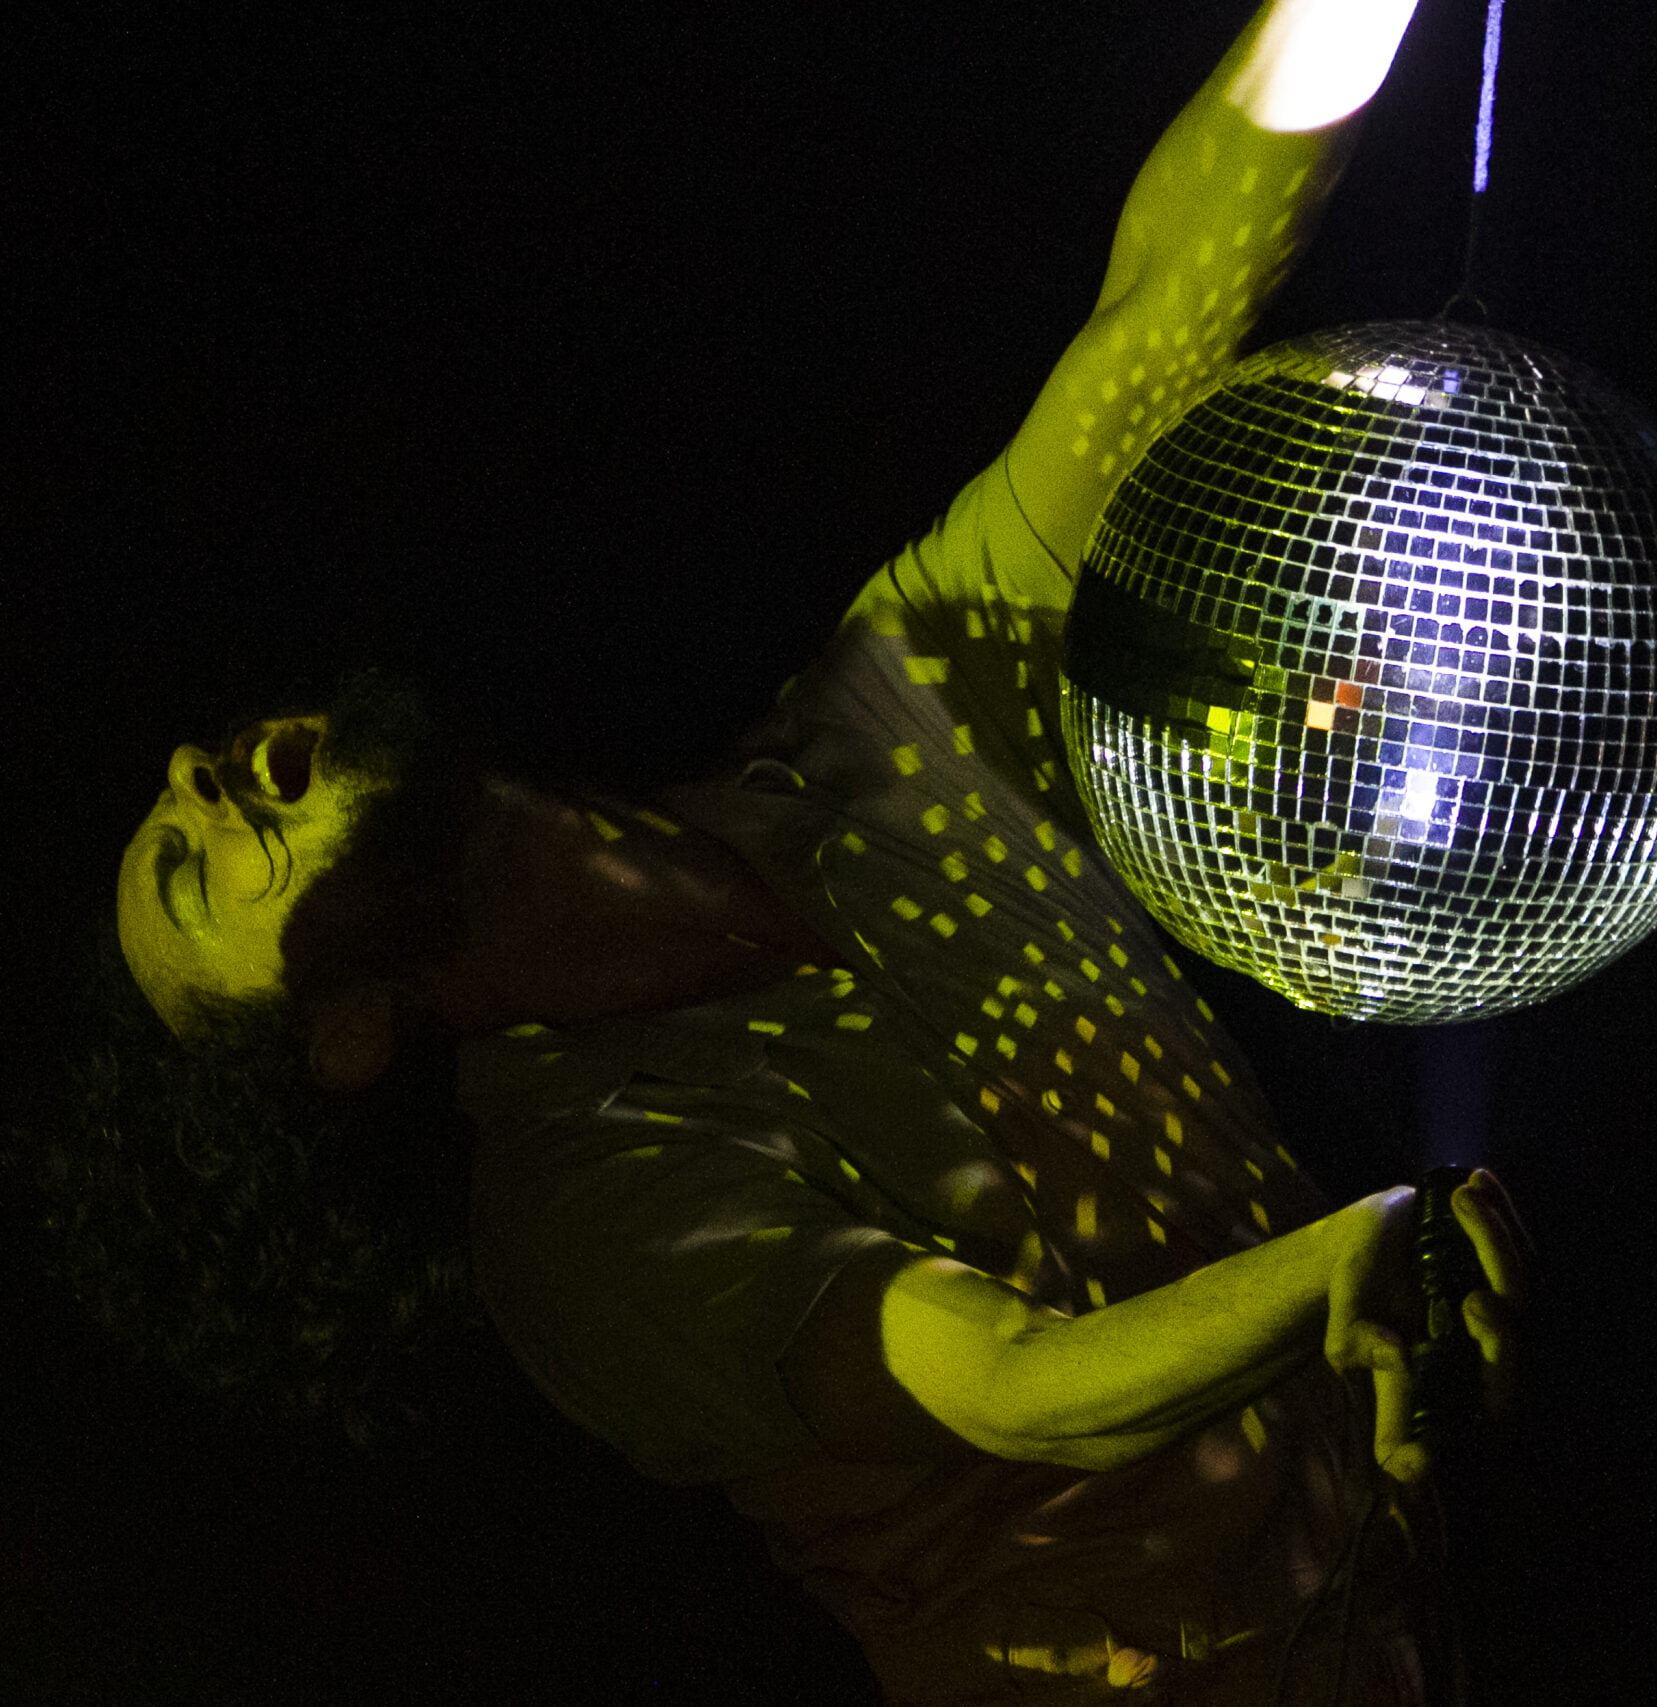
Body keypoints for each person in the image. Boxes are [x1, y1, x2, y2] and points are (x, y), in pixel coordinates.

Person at [48, 3, 1533, 1701]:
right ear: (344, 1038)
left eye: (176, 787)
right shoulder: (584, 1217)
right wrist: (1342, 1252)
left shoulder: (886, 719)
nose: (193, 778)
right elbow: (1010, 1383)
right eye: (188, 871)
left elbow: (1161, 311)